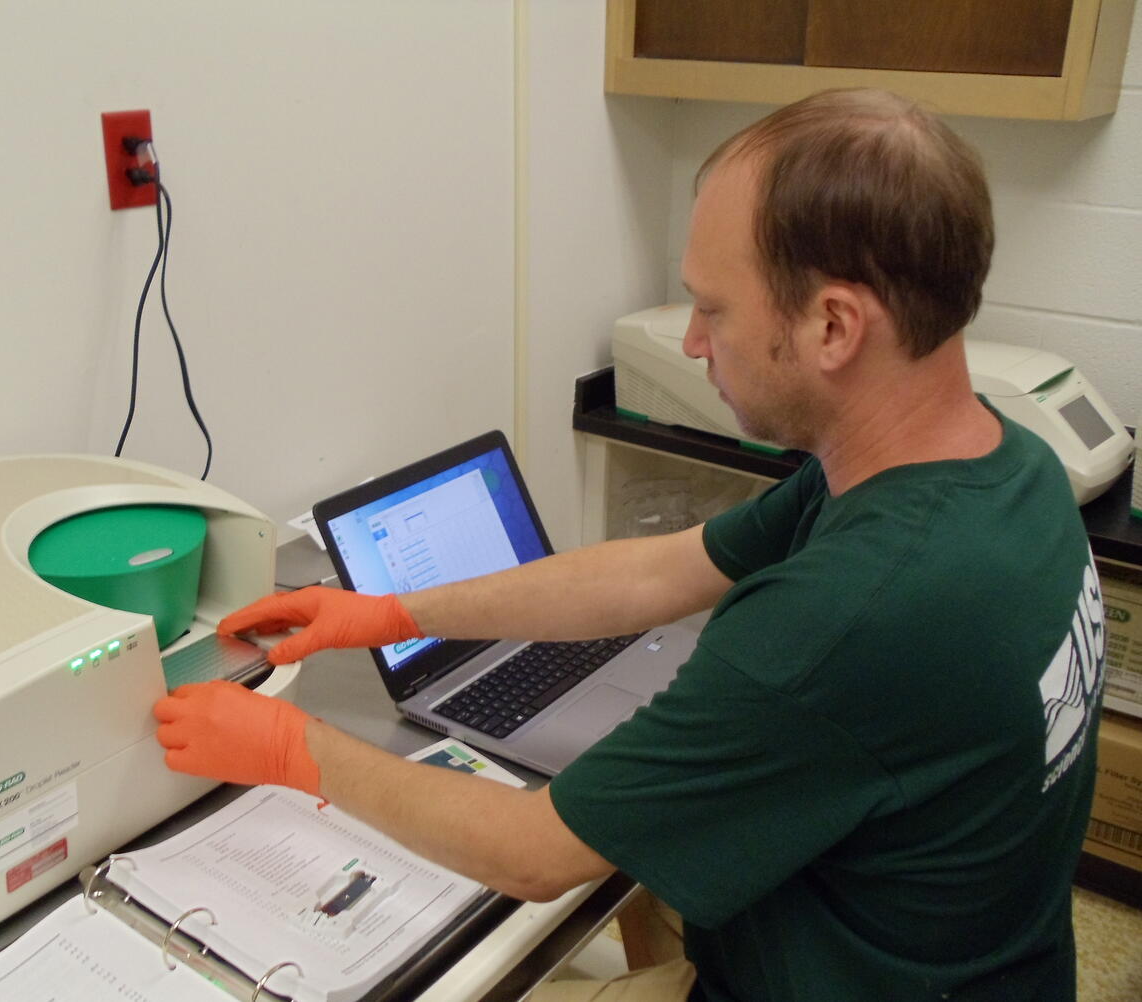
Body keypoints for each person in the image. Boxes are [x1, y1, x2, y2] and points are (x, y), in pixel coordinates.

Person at [153, 89, 1106, 1001]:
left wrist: (289, 744)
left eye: (714, 308)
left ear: (833, 324)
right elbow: (659, 568)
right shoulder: (997, 463)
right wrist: (394, 611)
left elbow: (536, 853)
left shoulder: (852, 613)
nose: (693, 341)